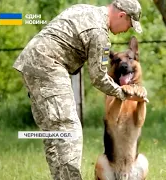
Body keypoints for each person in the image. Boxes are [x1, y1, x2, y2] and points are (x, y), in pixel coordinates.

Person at [12, 0, 145, 179]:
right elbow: (98, 78)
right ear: (122, 15)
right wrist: (125, 93)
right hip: (49, 65)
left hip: (31, 61)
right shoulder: (100, 33)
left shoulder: (83, 9)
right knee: (70, 129)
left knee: (54, 133)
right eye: (129, 24)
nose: (127, 29)